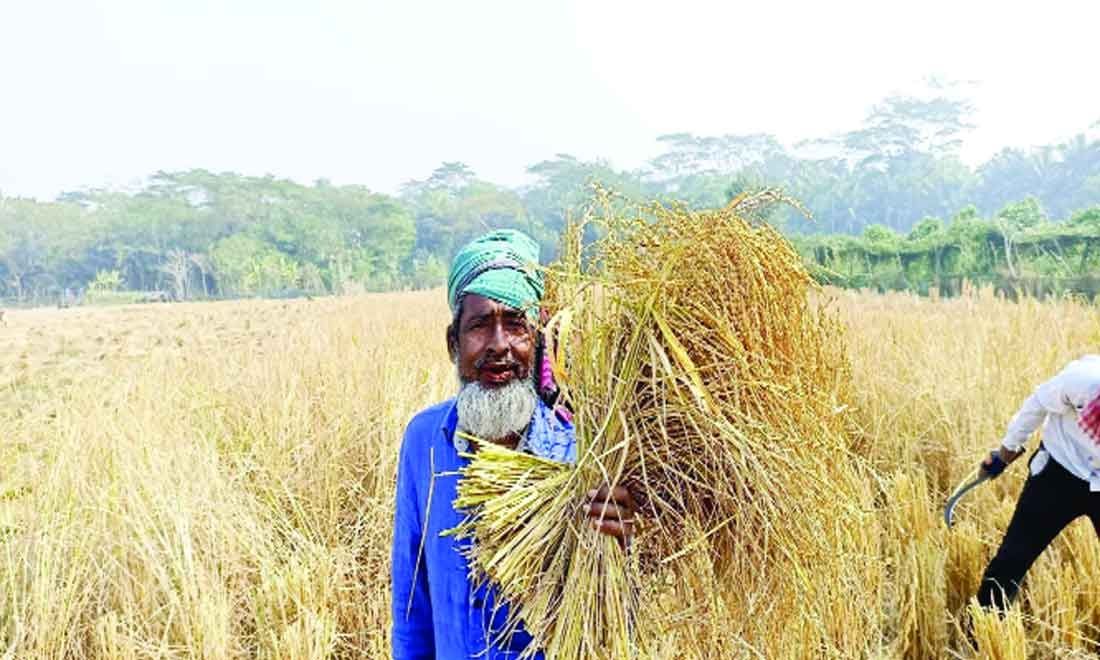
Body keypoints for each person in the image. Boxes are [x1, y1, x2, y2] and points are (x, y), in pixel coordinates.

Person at [391, 229, 637, 659]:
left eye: (516, 325)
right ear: (454, 343)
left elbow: (615, 624)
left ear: (537, 340)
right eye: (480, 326)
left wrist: (622, 546)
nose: (499, 344)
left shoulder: (581, 452)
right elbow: (413, 604)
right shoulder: (426, 441)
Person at [976, 354, 1100, 609]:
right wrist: (1005, 453)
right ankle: (984, 633)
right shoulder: (1082, 381)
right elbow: (1038, 404)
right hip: (1059, 471)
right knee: (1014, 557)